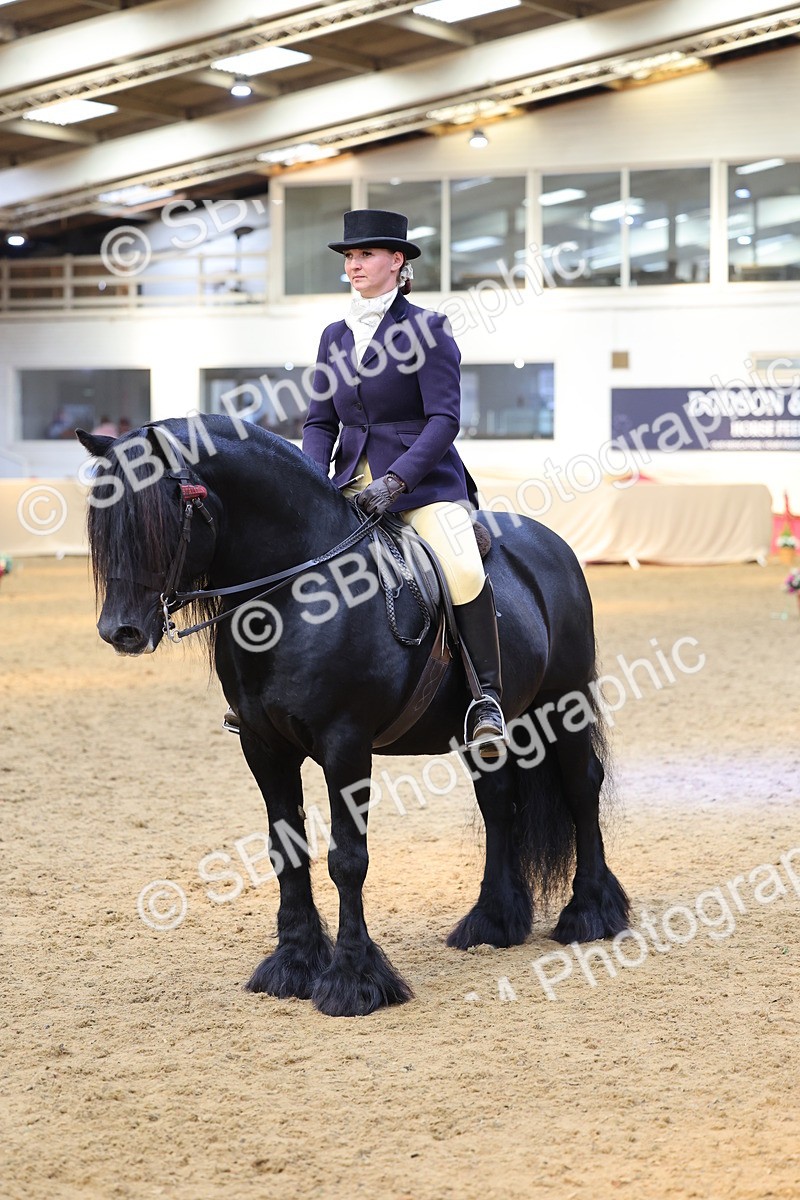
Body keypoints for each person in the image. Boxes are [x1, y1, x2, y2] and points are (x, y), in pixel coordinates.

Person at [300, 209, 507, 758]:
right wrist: (310, 482)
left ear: (397, 260)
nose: (354, 265)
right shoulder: (334, 336)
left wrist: (397, 481)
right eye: (349, 256)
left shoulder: (428, 329)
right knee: (289, 557)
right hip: (349, 483)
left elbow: (444, 420)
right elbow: (320, 423)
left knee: (462, 568)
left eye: (365, 255)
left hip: (421, 486)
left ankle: (486, 699)